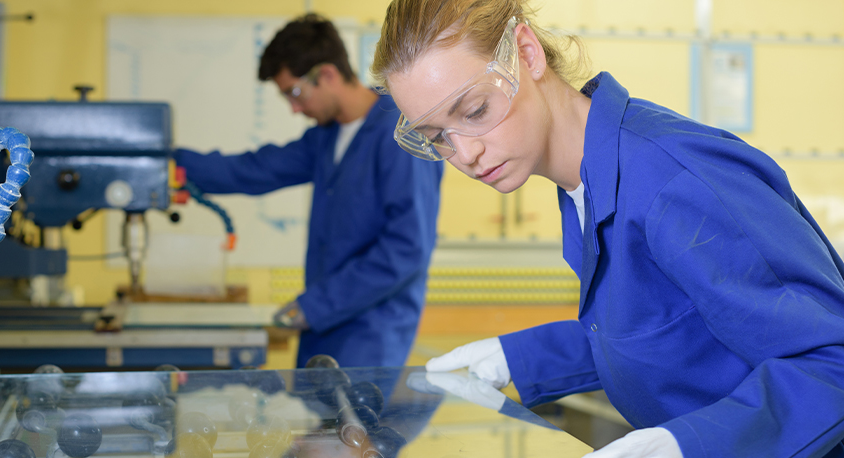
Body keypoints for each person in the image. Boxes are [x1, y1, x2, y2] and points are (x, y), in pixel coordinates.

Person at [372, 0, 844, 456]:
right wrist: (518, 356)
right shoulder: (584, 182)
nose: (466, 154)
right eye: (438, 138)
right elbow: (655, 326)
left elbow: (832, 363)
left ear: (527, 54)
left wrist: (689, 445)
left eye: (474, 111)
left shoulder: (674, 181)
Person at [175, 14, 443, 368]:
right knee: (313, 420)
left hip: (370, 337)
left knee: (349, 422)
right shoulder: (326, 136)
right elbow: (253, 171)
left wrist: (313, 306)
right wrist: (163, 161)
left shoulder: (400, 135)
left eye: (295, 93)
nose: (294, 108)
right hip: (321, 327)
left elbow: (406, 249)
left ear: (328, 74)